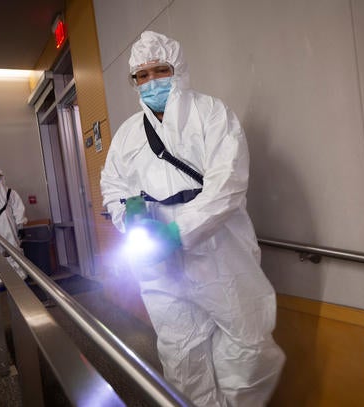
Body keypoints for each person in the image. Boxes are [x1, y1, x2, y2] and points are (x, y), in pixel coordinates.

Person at [100, 31, 286, 407]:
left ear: (178, 70)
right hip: (158, 262)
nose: (152, 81)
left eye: (160, 70)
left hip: (219, 250)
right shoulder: (127, 135)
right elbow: (113, 187)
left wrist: (178, 231)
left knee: (248, 342)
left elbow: (228, 183)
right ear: (134, 82)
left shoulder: (212, 114)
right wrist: (131, 220)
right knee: (180, 353)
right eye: (142, 75)